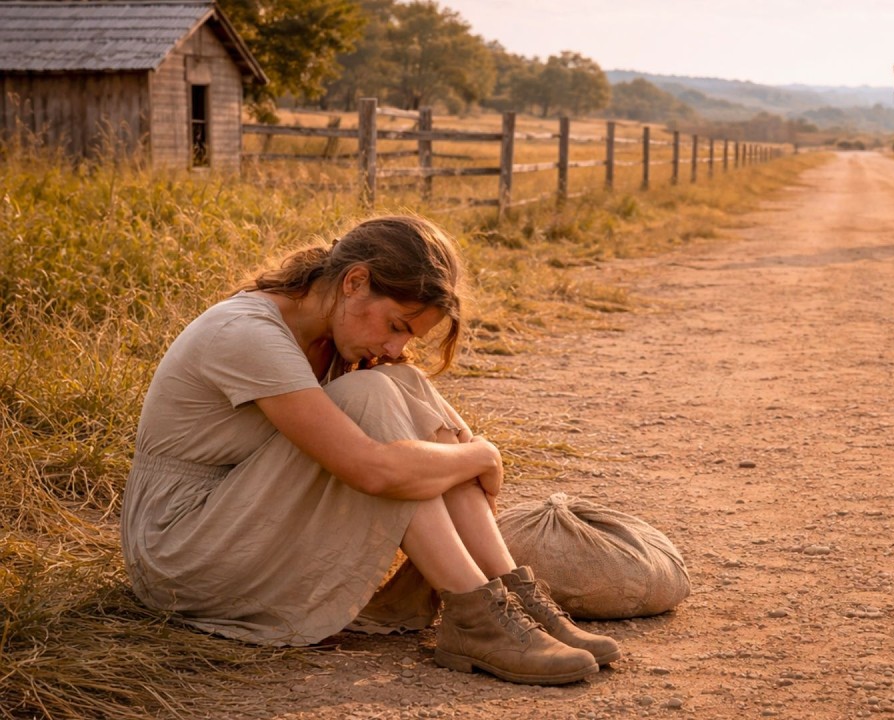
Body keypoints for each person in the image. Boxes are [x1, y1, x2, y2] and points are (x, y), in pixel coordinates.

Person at [120, 214, 620, 686]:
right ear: (354, 281)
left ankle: (508, 593)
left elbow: (431, 451)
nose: (397, 345)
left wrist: (462, 453)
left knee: (401, 381)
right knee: (373, 396)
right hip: (180, 554)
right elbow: (372, 472)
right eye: (398, 325)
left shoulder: (334, 337)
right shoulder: (246, 333)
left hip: (242, 521)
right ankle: (473, 612)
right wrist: (484, 456)